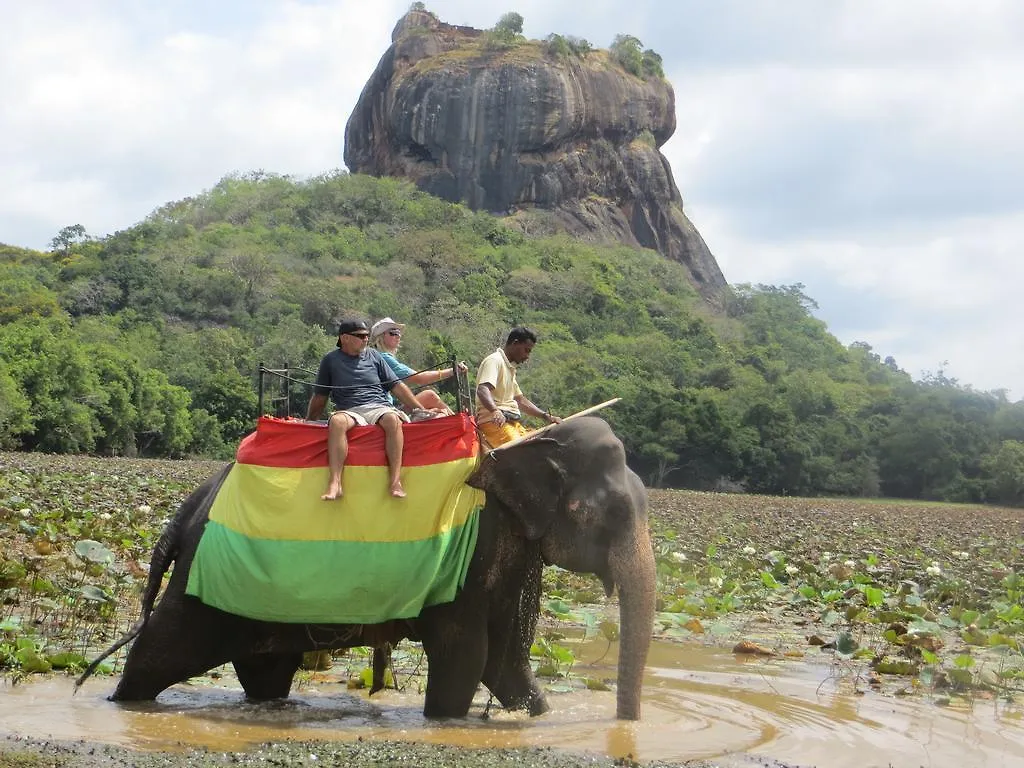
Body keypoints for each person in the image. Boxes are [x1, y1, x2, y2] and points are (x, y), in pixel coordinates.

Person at [306, 318, 429, 500]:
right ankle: (335, 483)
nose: (365, 339)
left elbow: (396, 386)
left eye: (367, 336)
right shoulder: (330, 360)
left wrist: (419, 409)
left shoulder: (375, 356)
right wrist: (308, 419)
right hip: (349, 409)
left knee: (392, 419)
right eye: (360, 336)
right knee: (337, 421)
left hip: (378, 406)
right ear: (345, 338)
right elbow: (320, 396)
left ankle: (395, 481)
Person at [475, 326, 562, 449]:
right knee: (523, 451)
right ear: (515, 343)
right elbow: (482, 389)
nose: (527, 356)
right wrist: (495, 411)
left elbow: (520, 400)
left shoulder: (510, 368)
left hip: (511, 423)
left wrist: (546, 416)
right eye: (526, 350)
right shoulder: (494, 361)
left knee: (541, 444)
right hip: (494, 423)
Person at [369, 317, 469, 416]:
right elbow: (418, 378)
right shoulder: (383, 357)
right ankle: (457, 422)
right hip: (387, 410)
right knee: (430, 396)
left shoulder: (375, 356)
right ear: (380, 336)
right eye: (393, 333)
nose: (398, 336)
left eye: (399, 333)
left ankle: (454, 420)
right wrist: (453, 371)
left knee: (432, 402)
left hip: (387, 407)